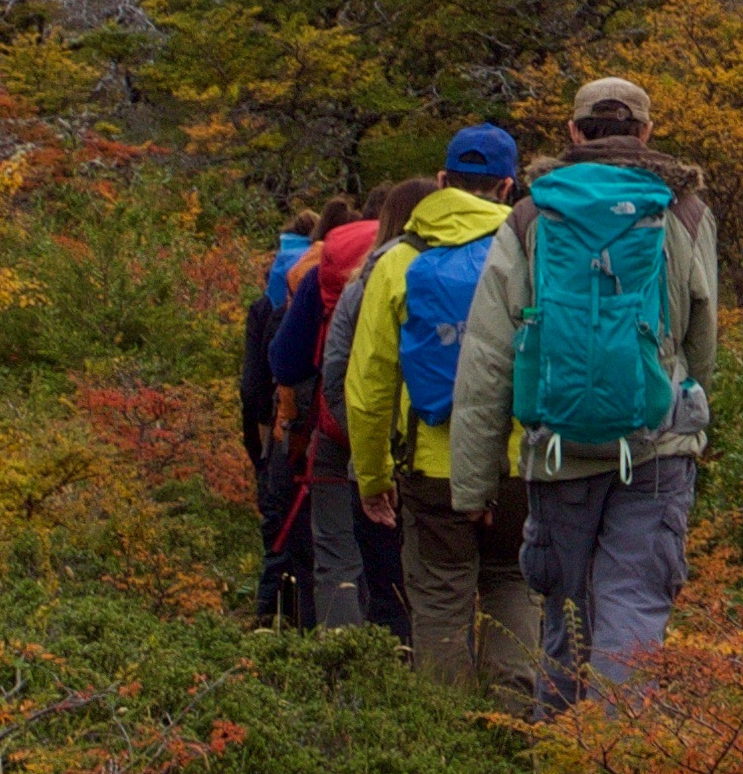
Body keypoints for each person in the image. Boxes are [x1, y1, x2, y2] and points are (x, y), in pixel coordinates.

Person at [451, 77, 719, 709]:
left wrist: (473, 483)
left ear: (573, 132)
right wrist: (683, 404)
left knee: (566, 614)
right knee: (634, 607)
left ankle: (562, 768)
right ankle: (620, 770)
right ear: (647, 132)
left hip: (558, 450)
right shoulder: (685, 211)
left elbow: (487, 355)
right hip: (656, 448)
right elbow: (701, 339)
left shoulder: (533, 213)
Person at [346, 130, 536, 698]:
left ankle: (447, 734)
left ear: (443, 181)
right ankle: (512, 722)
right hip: (519, 463)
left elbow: (368, 387)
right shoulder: (533, 254)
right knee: (514, 584)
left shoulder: (398, 260)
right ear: (507, 187)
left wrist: (374, 477)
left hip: (433, 467)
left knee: (439, 596)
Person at [267, 180, 423, 635]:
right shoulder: (457, 268)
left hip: (339, 432)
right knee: (416, 560)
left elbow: (288, 360)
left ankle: (343, 660)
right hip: (427, 436)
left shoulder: (335, 274)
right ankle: (420, 669)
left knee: (337, 556)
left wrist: (352, 422)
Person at [241, 209, 318, 624]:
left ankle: (268, 634)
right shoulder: (331, 290)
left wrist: (261, 453)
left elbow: (252, 390)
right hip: (323, 436)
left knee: (279, 541)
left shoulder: (265, 306)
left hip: (281, 438)